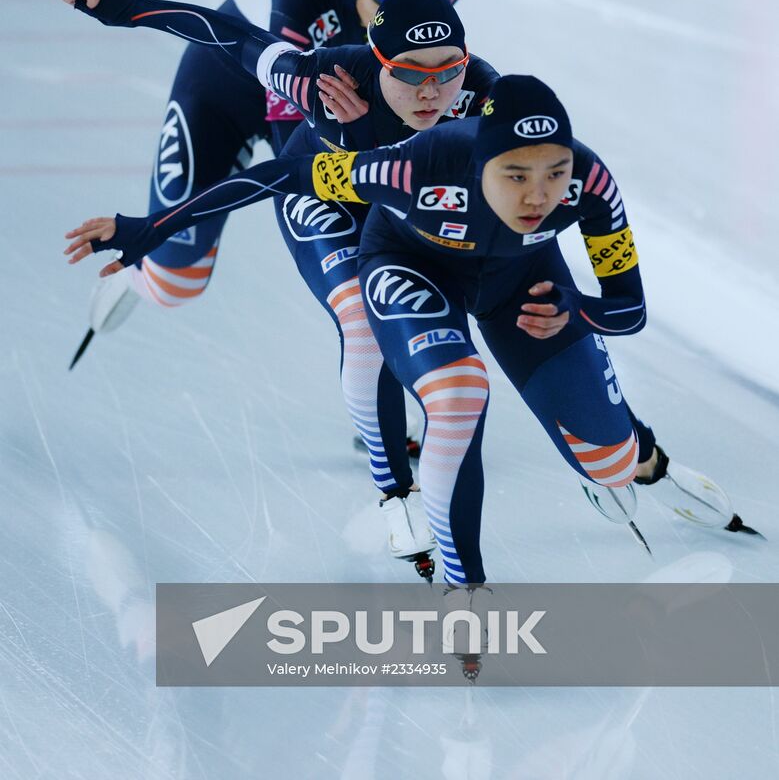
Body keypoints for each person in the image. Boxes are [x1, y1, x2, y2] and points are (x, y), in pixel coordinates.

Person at [64, 74, 757, 584]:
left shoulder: (593, 187)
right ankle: (465, 588)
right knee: (458, 392)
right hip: (410, 269)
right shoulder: (409, 168)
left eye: (553, 173)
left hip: (523, 287)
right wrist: (145, 229)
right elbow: (280, 176)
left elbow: (629, 309)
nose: (537, 195)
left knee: (607, 462)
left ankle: (639, 463)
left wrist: (577, 309)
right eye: (513, 175)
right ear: (475, 160)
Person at [76, 0, 565, 340]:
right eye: (380, 4)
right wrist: (131, 9)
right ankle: (139, 279)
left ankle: (394, 394)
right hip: (227, 86)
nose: (394, 17)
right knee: (174, 278)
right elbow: (289, 141)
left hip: (319, 93)